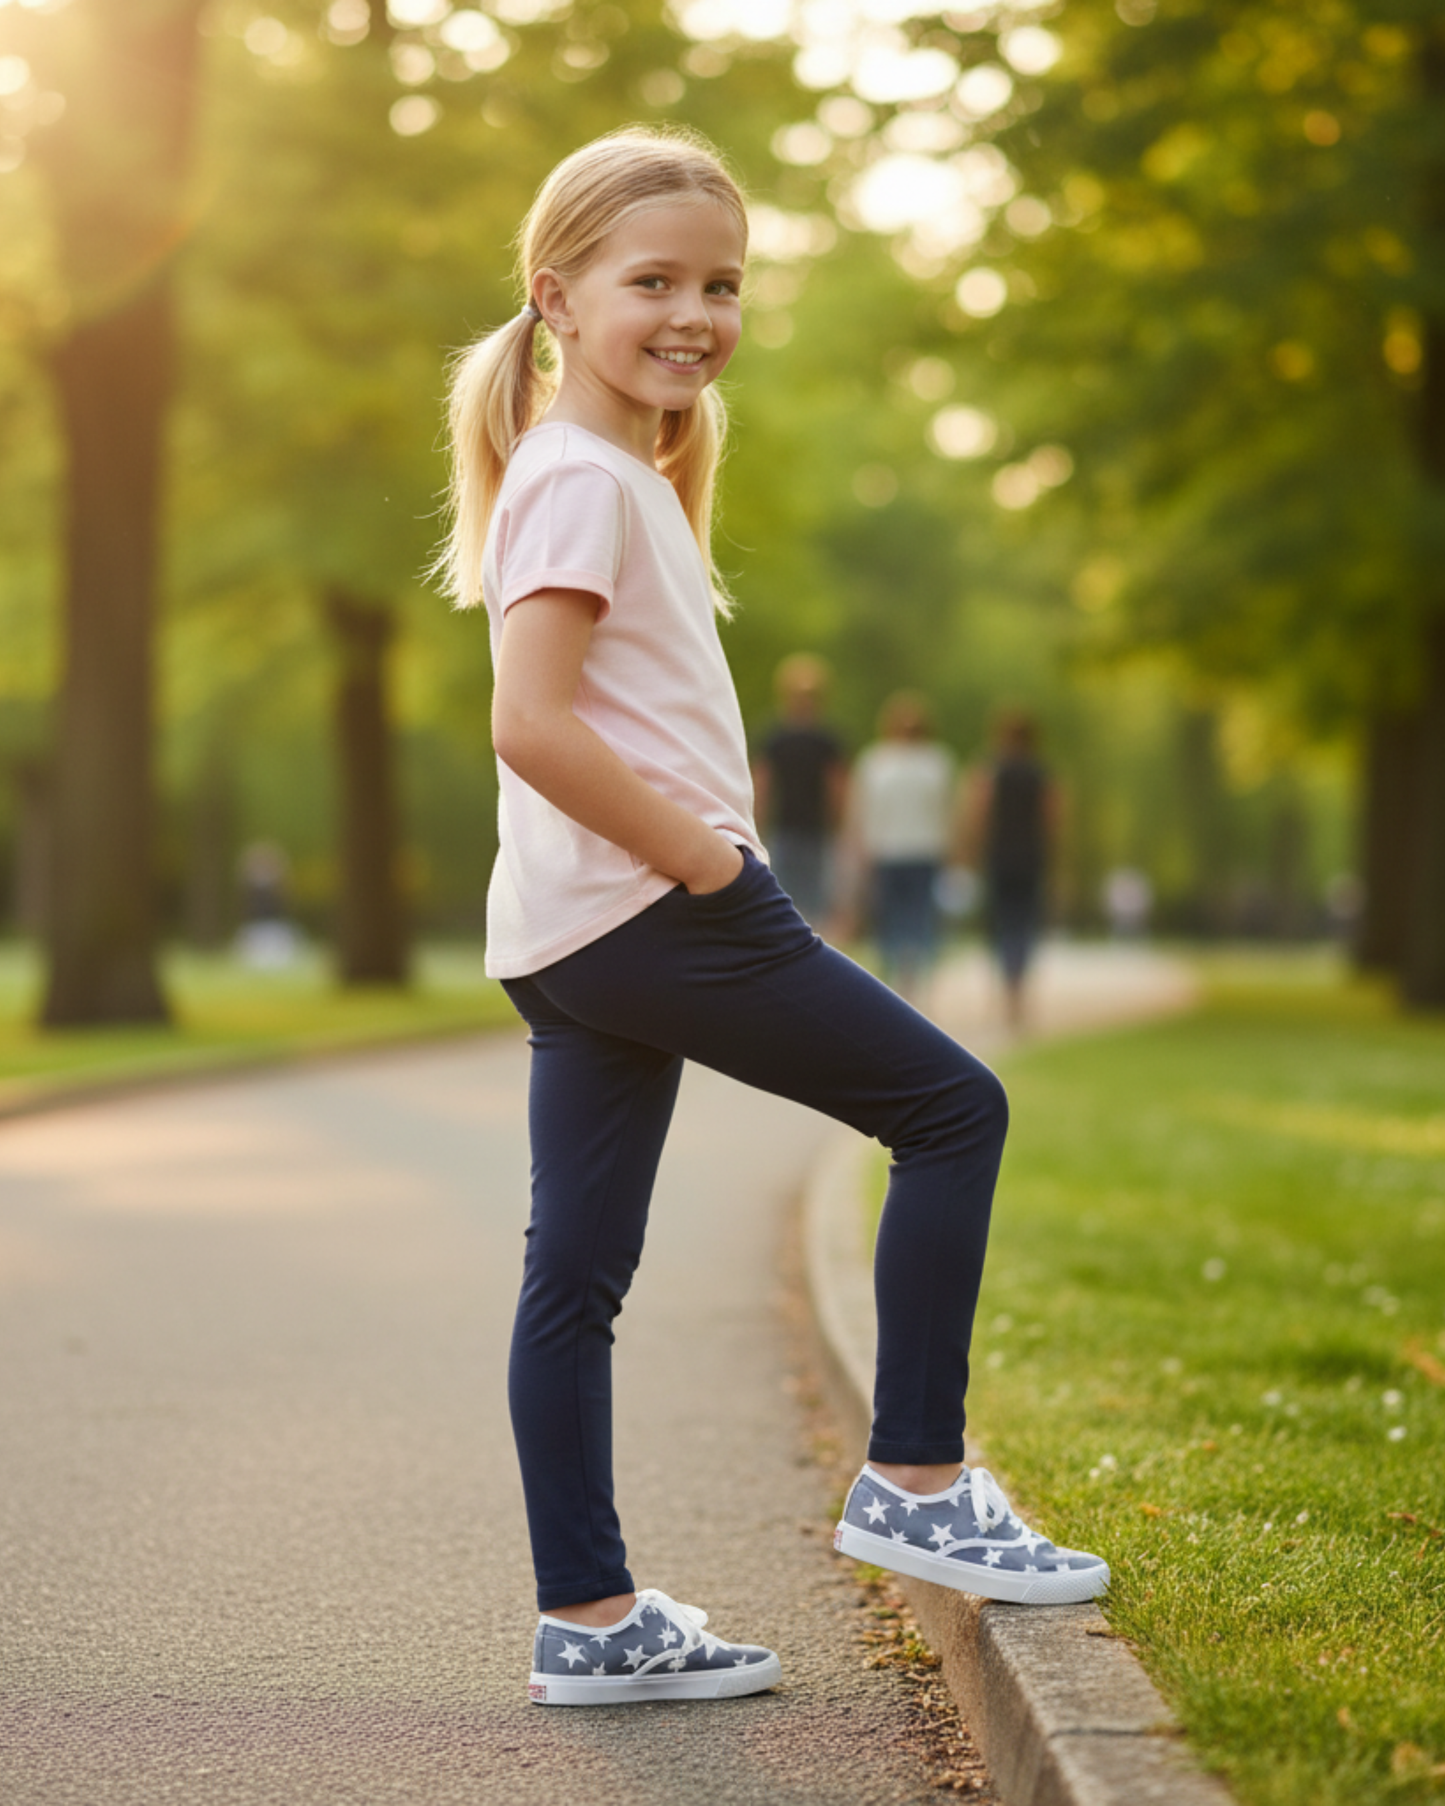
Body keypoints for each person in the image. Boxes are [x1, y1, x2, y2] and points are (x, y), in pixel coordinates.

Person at [434, 127, 1107, 1709]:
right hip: (661, 908)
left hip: (576, 931)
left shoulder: (602, 474)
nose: (694, 312)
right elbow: (528, 724)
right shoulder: (583, 478)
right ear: (556, 296)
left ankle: (588, 1620)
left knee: (575, 1275)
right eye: (651, 279)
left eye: (721, 283)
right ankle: (920, 1484)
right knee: (953, 1107)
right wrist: (716, 865)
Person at [850, 691, 956, 1007]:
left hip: (894, 851)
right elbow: (944, 810)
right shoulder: (936, 762)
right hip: (919, 850)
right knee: (917, 918)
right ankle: (911, 982)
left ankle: (899, 983)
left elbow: (865, 810)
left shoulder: (877, 761)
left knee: (895, 918)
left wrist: (860, 847)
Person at [964, 710, 1059, 1029]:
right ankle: (1018, 992)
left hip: (1000, 857)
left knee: (1001, 923)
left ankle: (1006, 991)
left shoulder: (992, 771)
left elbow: (980, 812)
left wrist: (975, 850)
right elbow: (1051, 817)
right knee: (1026, 923)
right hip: (1031, 857)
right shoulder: (1040, 773)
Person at [752, 653, 847, 927]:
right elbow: (763, 784)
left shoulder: (782, 737)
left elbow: (837, 787)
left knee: (807, 900)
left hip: (812, 830)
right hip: (788, 828)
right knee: (795, 898)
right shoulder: (783, 738)